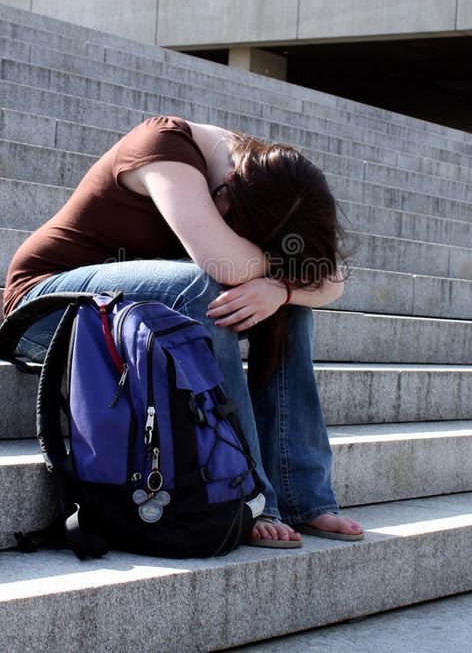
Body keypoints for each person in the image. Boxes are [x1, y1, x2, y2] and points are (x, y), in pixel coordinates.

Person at [3, 115, 364, 548]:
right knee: (215, 287)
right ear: (228, 184)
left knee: (290, 306)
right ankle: (249, 496)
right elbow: (219, 262)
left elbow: (332, 281)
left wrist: (281, 290)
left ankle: (305, 497)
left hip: (125, 317)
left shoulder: (260, 176)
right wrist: (288, 271)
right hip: (47, 310)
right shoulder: (166, 148)